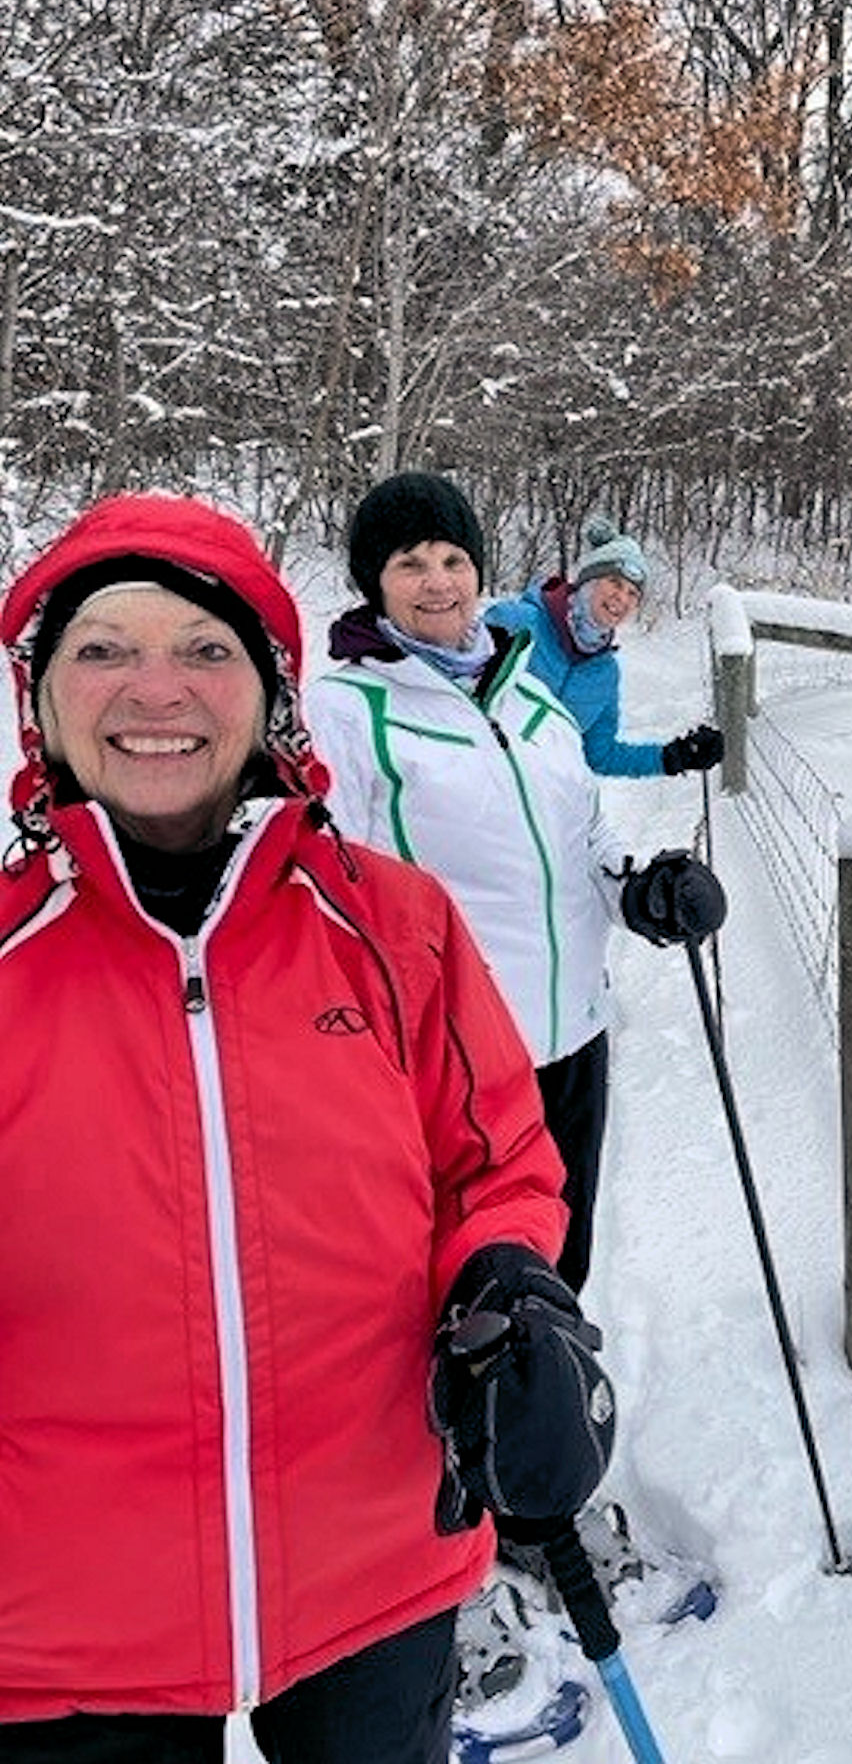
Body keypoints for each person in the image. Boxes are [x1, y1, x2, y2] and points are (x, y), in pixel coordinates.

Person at [0, 492, 616, 1764]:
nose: (157, 687)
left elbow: (495, 1161)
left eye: (205, 648)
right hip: (58, 1626)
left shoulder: (395, 925)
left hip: (372, 1570)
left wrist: (508, 1281)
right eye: (103, 648)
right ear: (40, 701)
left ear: (268, 694)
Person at [305, 472, 726, 1298]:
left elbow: (585, 836)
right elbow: (325, 898)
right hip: (459, 1066)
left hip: (575, 1039)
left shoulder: (531, 696)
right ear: (373, 583)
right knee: (474, 1292)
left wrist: (641, 892)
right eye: (410, 563)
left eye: (454, 559)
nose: (438, 581)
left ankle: (563, 1370)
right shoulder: (345, 712)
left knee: (565, 1263)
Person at [484, 515, 724, 780]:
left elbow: (601, 756)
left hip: (537, 795)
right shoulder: (520, 623)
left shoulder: (604, 673)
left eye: (633, 593)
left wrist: (674, 756)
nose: (621, 598)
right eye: (615, 583)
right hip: (477, 780)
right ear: (588, 581)